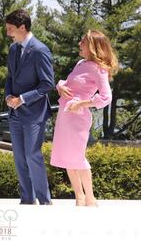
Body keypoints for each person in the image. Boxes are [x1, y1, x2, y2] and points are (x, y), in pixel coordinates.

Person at [50, 30, 118, 207]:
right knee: (67, 156)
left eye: (83, 41)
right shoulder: (80, 64)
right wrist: (60, 85)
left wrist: (81, 104)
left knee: (78, 156)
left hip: (78, 118)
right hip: (65, 115)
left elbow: (106, 97)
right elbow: (69, 83)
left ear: (93, 46)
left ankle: (91, 198)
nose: (79, 44)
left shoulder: (99, 68)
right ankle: (79, 197)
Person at [4, 9, 55, 205]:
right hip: (14, 112)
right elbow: (10, 77)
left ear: (22, 27)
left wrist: (23, 99)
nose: (8, 33)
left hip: (34, 112)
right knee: (19, 157)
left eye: (10, 29)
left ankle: (45, 201)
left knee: (32, 154)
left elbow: (47, 83)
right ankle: (26, 199)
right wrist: (9, 95)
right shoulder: (13, 49)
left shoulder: (40, 50)